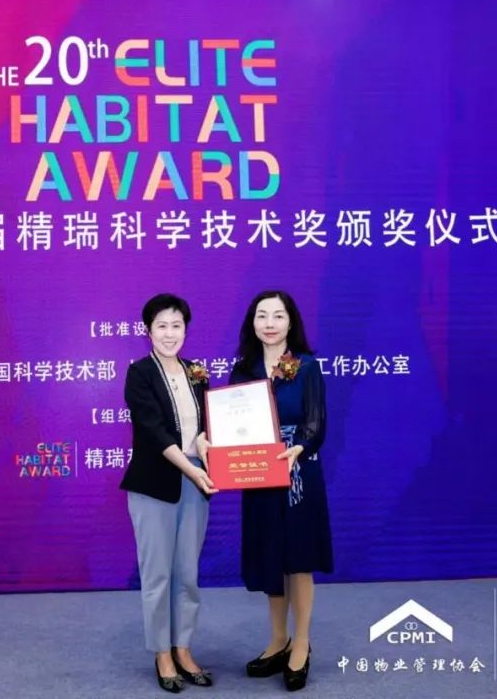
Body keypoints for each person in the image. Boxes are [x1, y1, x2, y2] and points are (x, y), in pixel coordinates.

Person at [199, 289, 333, 692]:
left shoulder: (306, 366)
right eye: (262, 316)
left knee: (299, 559)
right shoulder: (243, 370)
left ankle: (302, 643)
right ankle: (278, 640)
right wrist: (211, 440)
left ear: (291, 322)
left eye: (278, 315)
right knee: (271, 556)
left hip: (297, 474)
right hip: (257, 475)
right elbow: (227, 425)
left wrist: (300, 447)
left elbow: (316, 423)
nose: (270, 323)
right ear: (252, 323)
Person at [120, 293, 218, 693]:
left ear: (186, 330)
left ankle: (184, 648)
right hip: (154, 485)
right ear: (148, 331)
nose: (170, 333)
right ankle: (162, 653)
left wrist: (207, 444)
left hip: (196, 483)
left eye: (177, 325)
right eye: (161, 325)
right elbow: (154, 431)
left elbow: (206, 426)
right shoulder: (139, 373)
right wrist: (191, 469)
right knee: (158, 574)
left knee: (187, 574)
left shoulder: (197, 372)